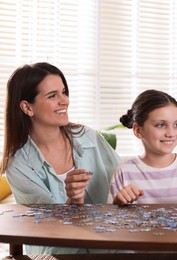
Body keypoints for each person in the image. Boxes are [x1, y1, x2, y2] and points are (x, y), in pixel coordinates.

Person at [0, 62, 122, 254]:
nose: (64, 100)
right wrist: (73, 200)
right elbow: (49, 223)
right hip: (58, 247)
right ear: (27, 107)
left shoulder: (89, 138)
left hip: (109, 241)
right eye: (52, 96)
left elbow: (127, 179)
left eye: (64, 92)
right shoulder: (18, 164)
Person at [109, 89, 177, 207]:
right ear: (138, 130)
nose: (171, 133)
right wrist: (118, 204)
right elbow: (109, 222)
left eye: (176, 124)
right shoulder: (123, 173)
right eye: (160, 125)